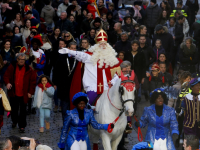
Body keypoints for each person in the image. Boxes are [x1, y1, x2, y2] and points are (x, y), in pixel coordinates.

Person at [58, 29, 122, 108]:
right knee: (86, 106)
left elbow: (117, 75)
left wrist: (112, 82)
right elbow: (81, 55)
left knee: (119, 105)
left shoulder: (112, 58)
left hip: (108, 88)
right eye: (101, 44)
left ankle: (127, 119)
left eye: (104, 44)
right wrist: (69, 51)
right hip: (93, 87)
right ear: (97, 46)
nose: (103, 46)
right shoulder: (90, 57)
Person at [3, 53, 37, 133]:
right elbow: (6, 76)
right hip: (14, 92)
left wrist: (30, 92)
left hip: (24, 93)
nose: (22, 61)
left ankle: (22, 126)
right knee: (14, 109)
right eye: (20, 59)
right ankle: (14, 121)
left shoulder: (29, 69)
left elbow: (33, 81)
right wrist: (7, 83)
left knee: (23, 111)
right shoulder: (12, 67)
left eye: (23, 60)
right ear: (17, 59)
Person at [53, 41, 79, 122]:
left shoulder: (78, 59)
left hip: (74, 86)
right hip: (63, 85)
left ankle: (72, 123)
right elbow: (56, 70)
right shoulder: (62, 57)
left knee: (73, 106)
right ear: (68, 48)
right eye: (72, 48)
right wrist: (55, 83)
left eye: (75, 48)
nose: (73, 50)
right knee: (64, 106)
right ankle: (65, 124)